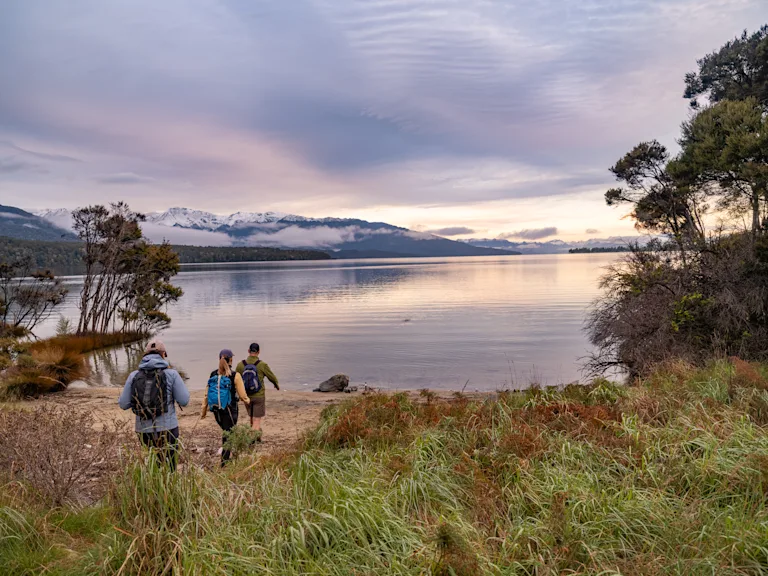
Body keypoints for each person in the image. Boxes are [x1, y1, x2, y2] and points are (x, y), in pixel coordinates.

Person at [118, 339, 190, 471]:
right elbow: (184, 400)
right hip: (168, 429)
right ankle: (169, 490)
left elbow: (123, 404)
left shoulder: (134, 375)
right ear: (163, 355)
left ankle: (153, 489)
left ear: (145, 355)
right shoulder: (172, 374)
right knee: (169, 467)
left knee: (153, 466)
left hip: (143, 430)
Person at [201, 349, 250, 465]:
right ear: (231, 360)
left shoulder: (213, 374)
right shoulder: (235, 375)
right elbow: (242, 395)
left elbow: (206, 394)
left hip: (217, 410)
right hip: (230, 409)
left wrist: (204, 411)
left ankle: (227, 457)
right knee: (228, 435)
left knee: (226, 432)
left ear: (219, 359)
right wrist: (248, 401)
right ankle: (225, 462)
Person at [235, 342, 279, 438]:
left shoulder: (240, 365)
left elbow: (236, 379)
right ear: (259, 352)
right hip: (259, 396)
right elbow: (272, 377)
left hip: (246, 396)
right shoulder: (262, 365)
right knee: (257, 420)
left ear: (248, 351)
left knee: (251, 417)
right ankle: (252, 439)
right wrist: (276, 384)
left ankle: (256, 437)